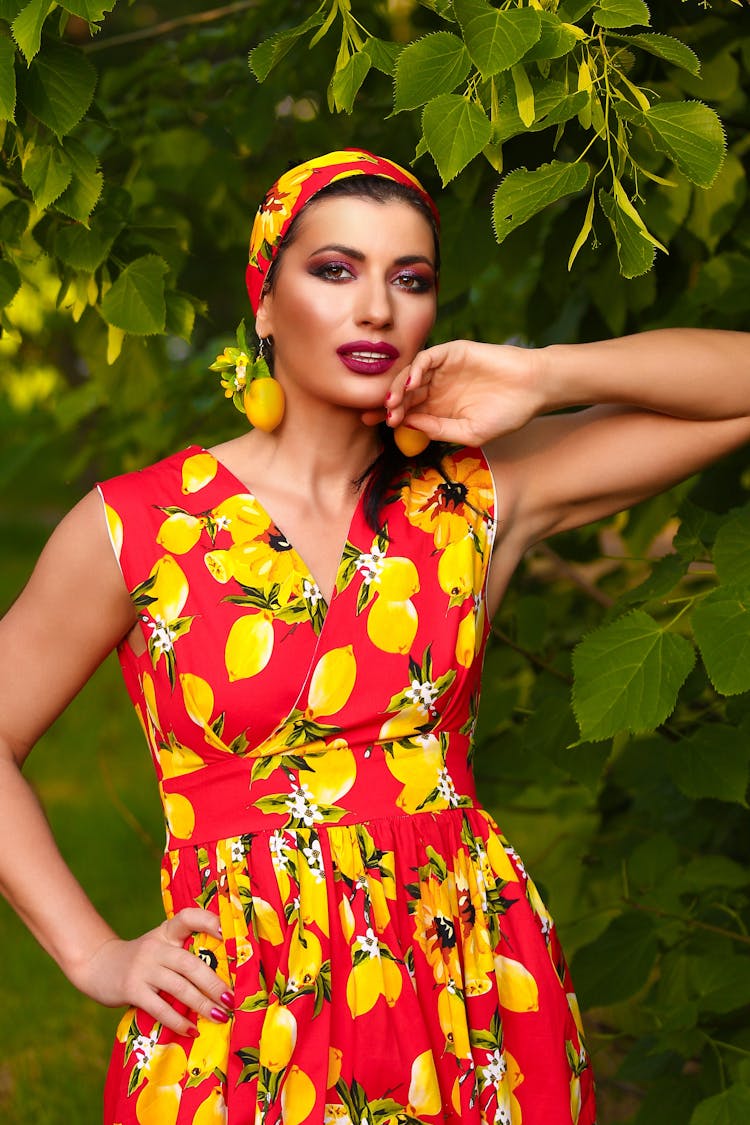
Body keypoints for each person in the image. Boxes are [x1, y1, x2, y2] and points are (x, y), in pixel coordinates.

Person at [0, 148, 748, 1125]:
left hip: (469, 981)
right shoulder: (140, 526)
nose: (377, 309)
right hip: (242, 1009)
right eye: (335, 270)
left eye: (411, 280)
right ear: (265, 301)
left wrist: (542, 371)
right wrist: (94, 952)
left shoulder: (477, 493)